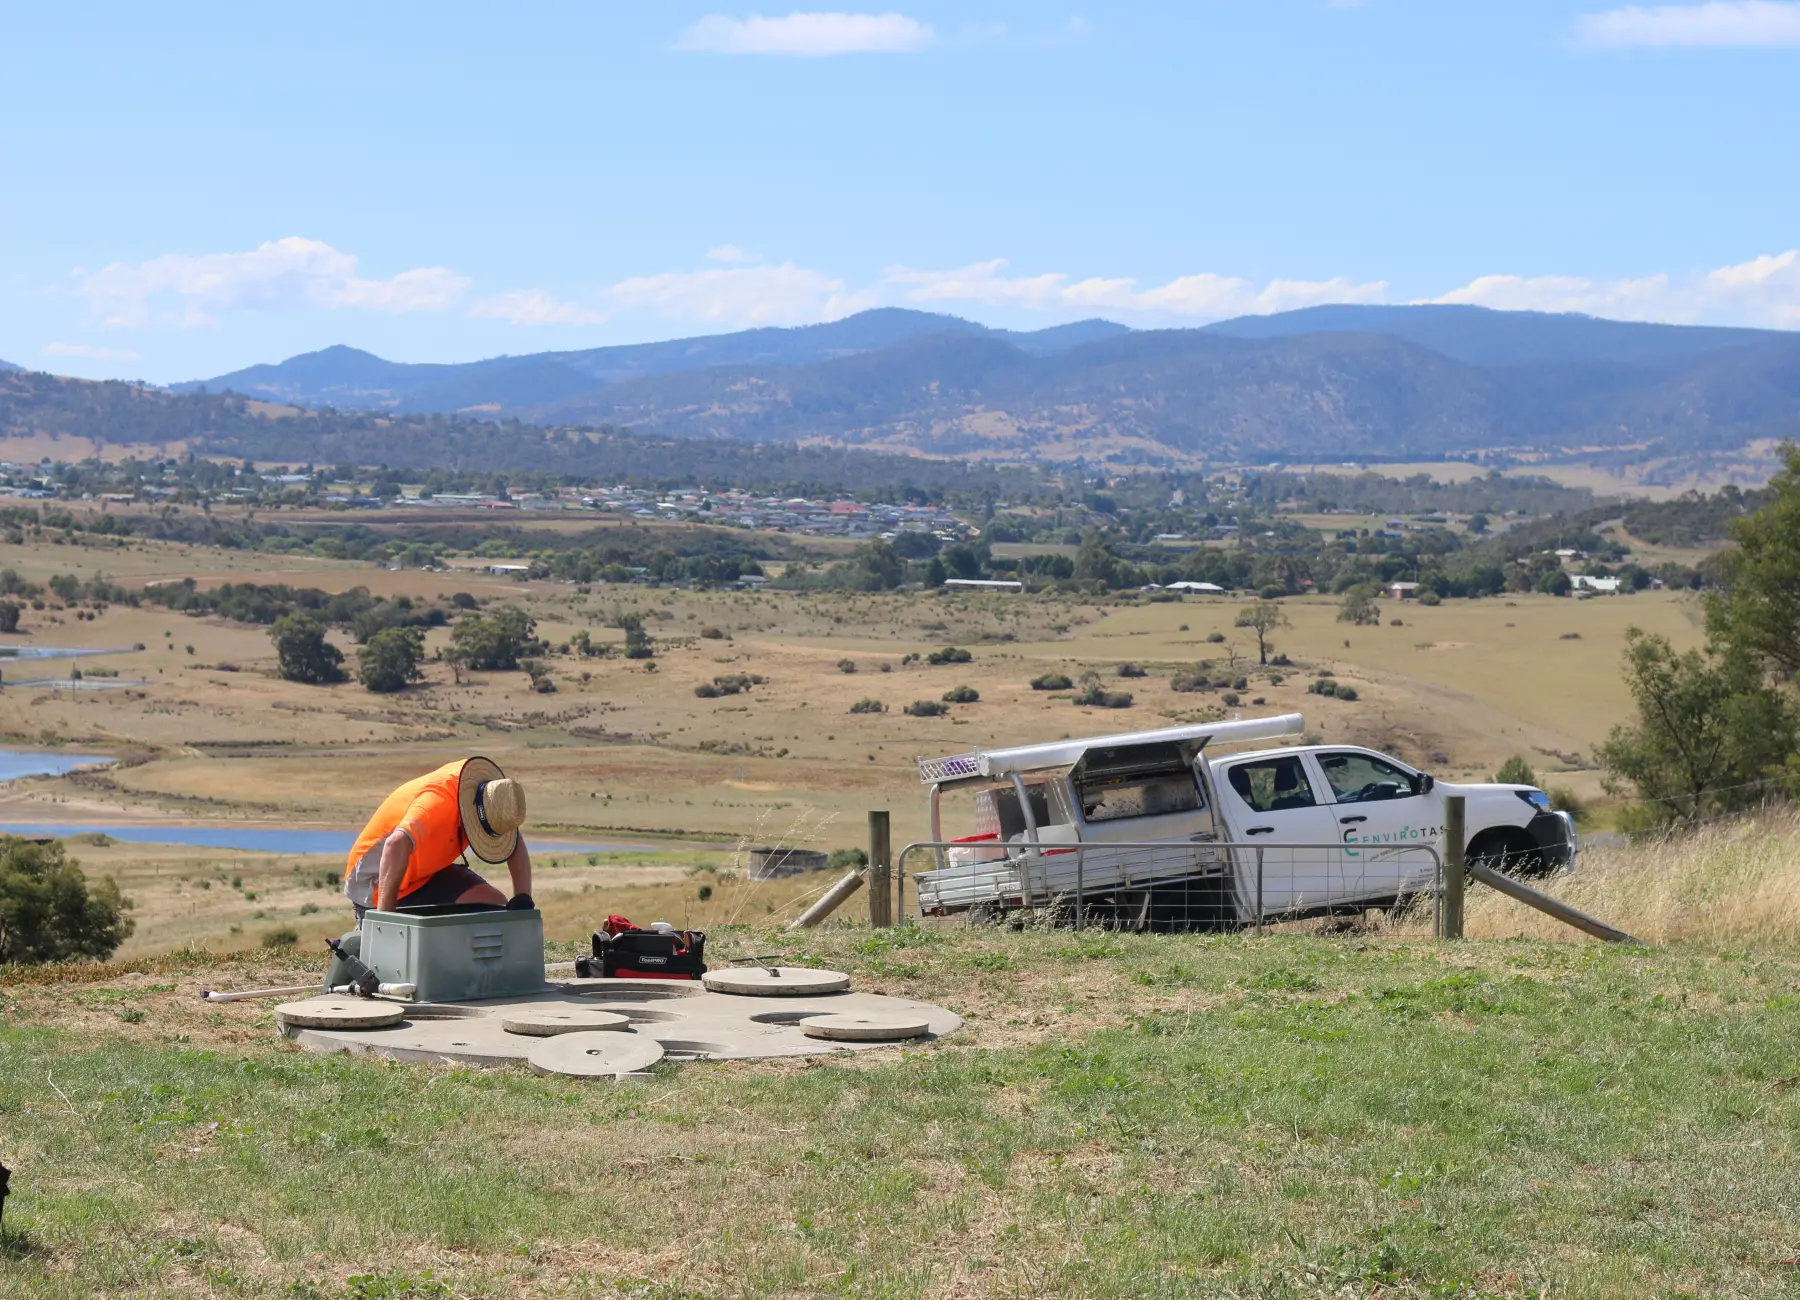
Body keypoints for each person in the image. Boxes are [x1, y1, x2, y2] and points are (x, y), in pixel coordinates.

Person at [343, 756, 533, 919]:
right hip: (377, 881)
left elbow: (514, 842)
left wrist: (523, 898)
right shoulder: (437, 804)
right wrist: (385, 921)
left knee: (494, 909)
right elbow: (395, 844)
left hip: (426, 871)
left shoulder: (491, 797)